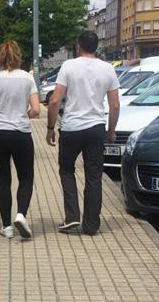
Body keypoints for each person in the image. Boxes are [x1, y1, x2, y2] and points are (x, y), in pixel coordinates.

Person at [46, 30, 120, 236]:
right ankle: (91, 224)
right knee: (94, 176)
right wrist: (111, 130)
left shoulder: (69, 66)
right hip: (96, 128)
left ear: (79, 46)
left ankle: (71, 218)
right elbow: (114, 105)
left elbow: (54, 100)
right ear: (97, 46)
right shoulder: (108, 69)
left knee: (67, 170)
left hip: (71, 128)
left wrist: (50, 127)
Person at [0, 41, 40, 239]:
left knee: (3, 181)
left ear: (0, 57)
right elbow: (37, 109)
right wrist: (24, 116)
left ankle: (6, 226)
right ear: (18, 56)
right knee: (26, 178)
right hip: (21, 134)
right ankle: (21, 215)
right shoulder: (27, 78)